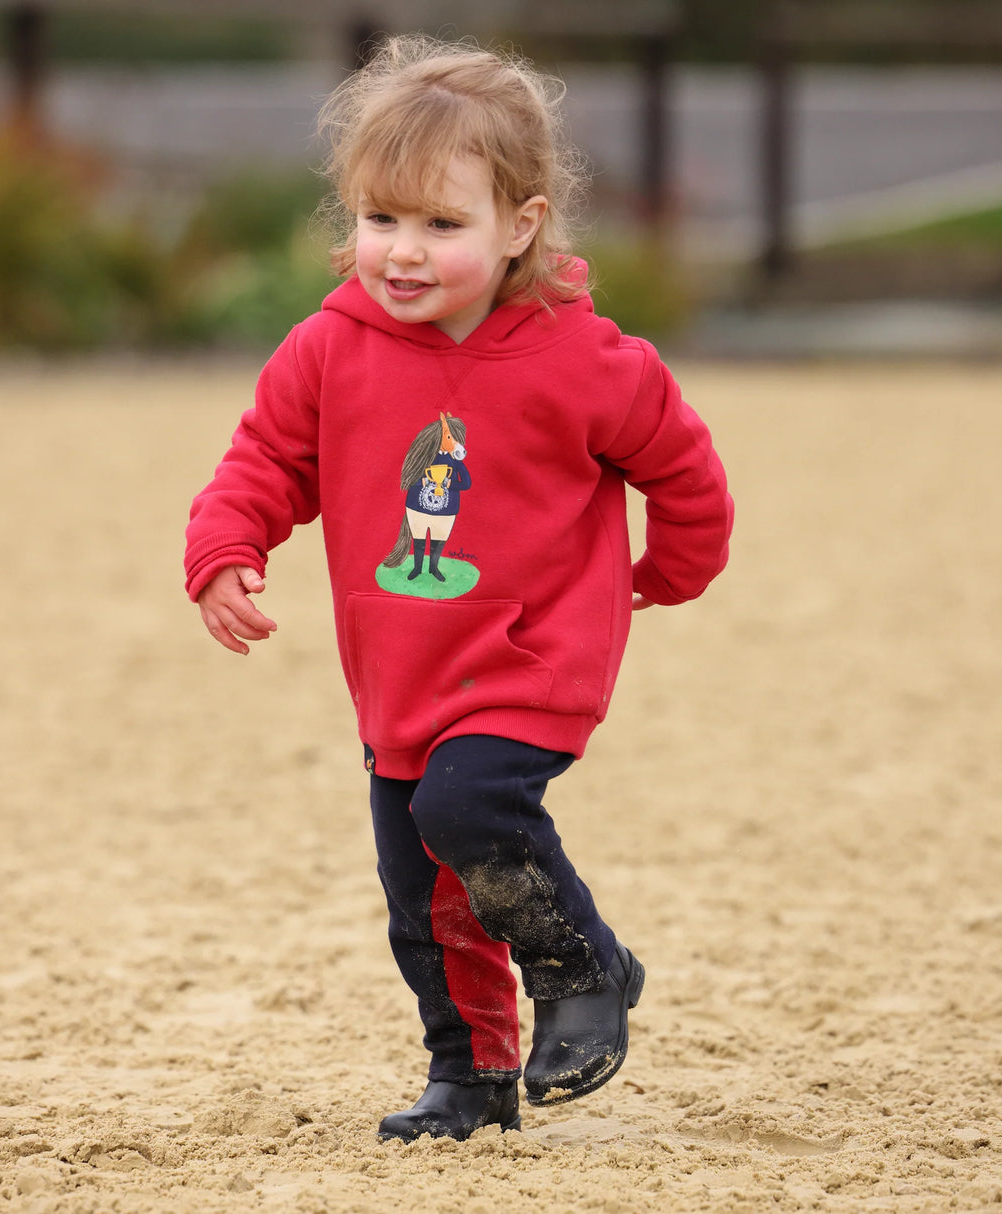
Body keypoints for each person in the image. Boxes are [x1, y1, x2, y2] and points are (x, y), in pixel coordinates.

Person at [185, 34, 733, 1144]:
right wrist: (225, 546)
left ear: (519, 225)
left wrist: (669, 570)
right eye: (380, 219)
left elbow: (682, 464)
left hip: (533, 654)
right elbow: (262, 461)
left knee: (466, 805)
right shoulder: (326, 349)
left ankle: (585, 971)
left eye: (443, 225)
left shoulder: (580, 359)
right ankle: (469, 1073)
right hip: (400, 672)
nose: (401, 252)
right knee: (421, 898)